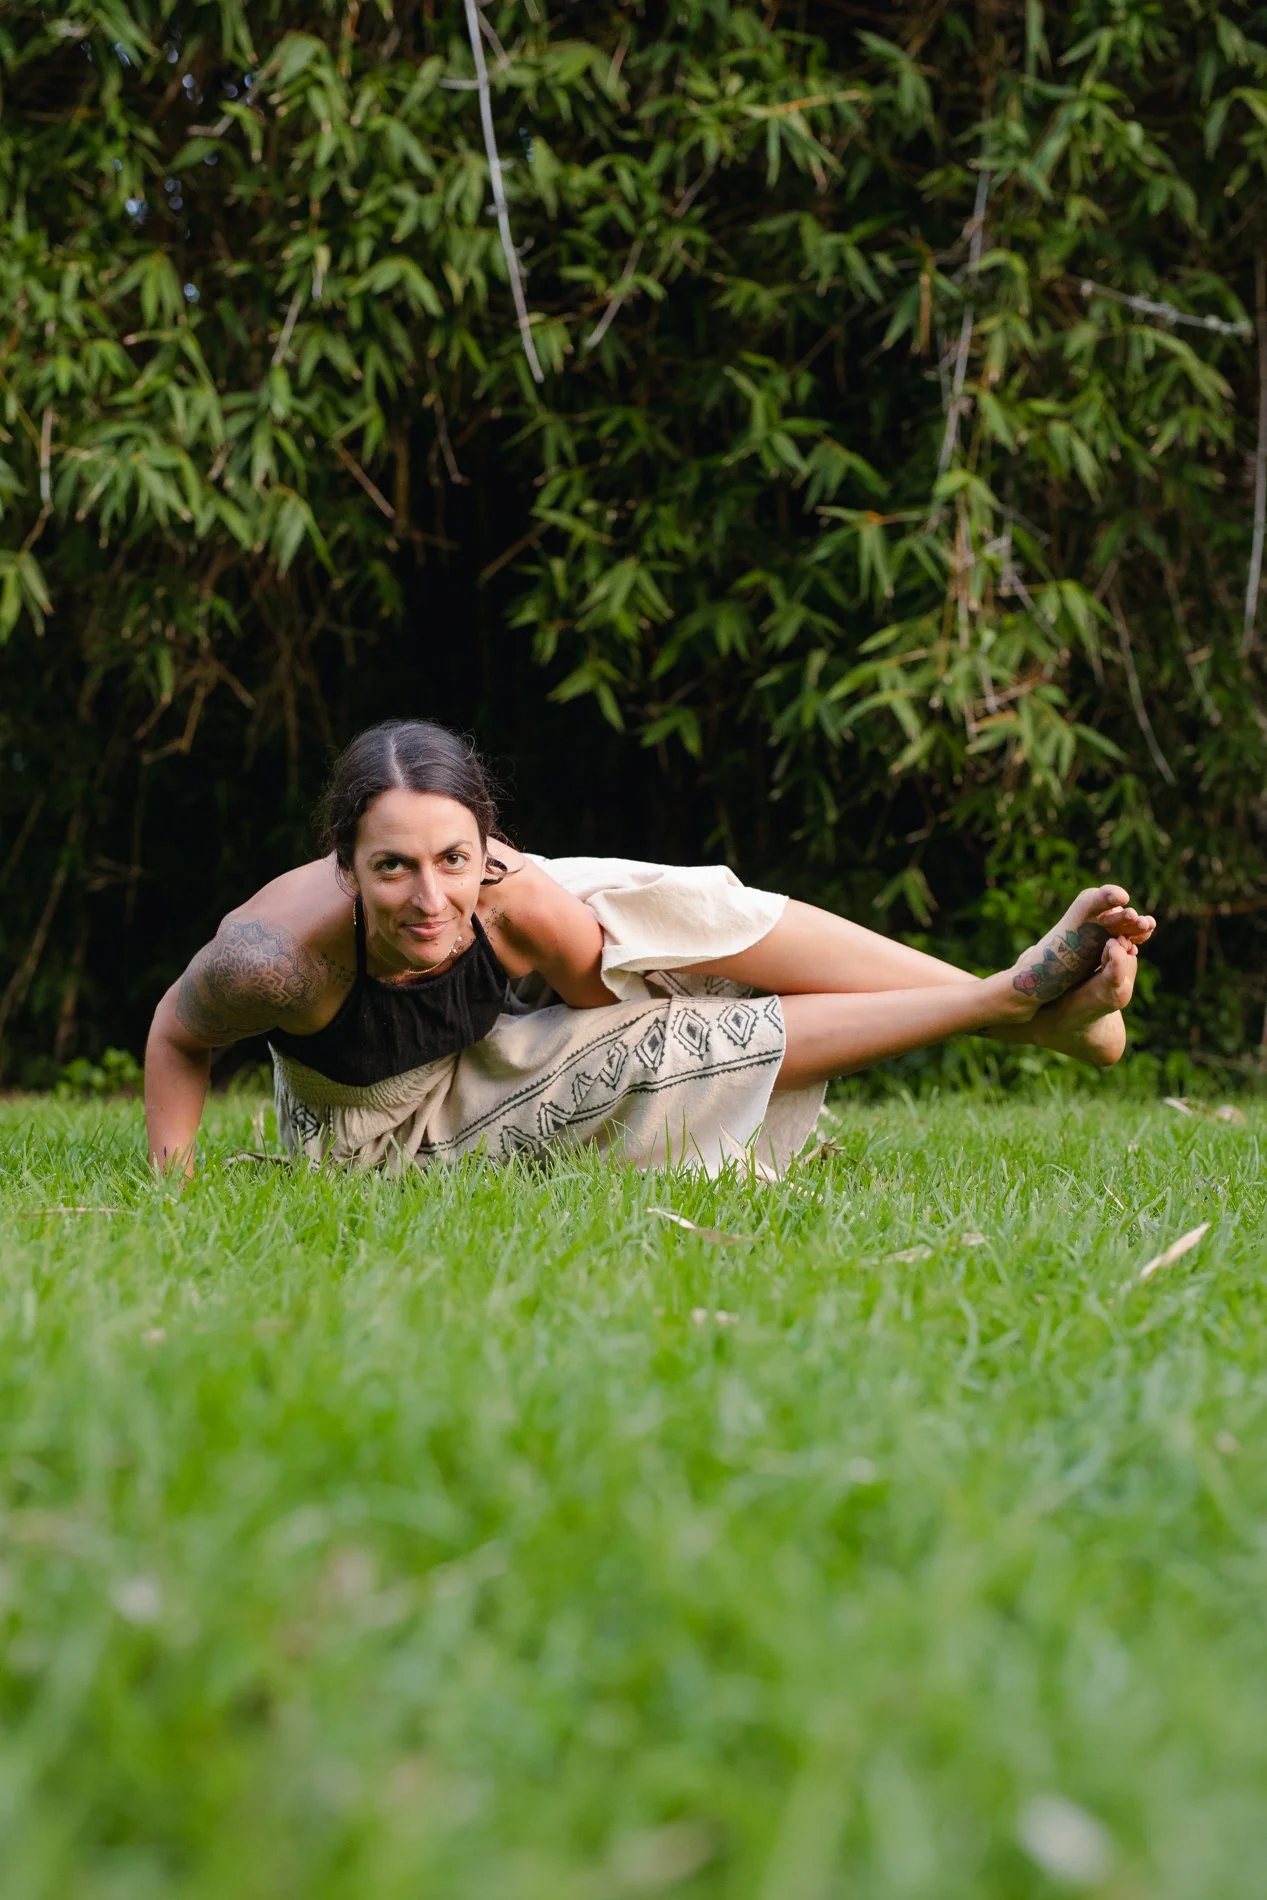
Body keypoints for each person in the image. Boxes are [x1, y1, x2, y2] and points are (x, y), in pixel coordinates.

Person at [144, 719, 1156, 1177]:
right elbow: (179, 1035)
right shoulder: (275, 958)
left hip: (512, 993)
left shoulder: (511, 892)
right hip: (377, 1123)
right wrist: (173, 1181)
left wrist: (654, 983)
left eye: (453, 858)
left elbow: (601, 985)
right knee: (677, 1048)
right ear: (346, 862)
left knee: (690, 911)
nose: (426, 898)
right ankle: (1005, 1002)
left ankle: (1045, 1014)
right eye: (392, 868)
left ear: (487, 846)